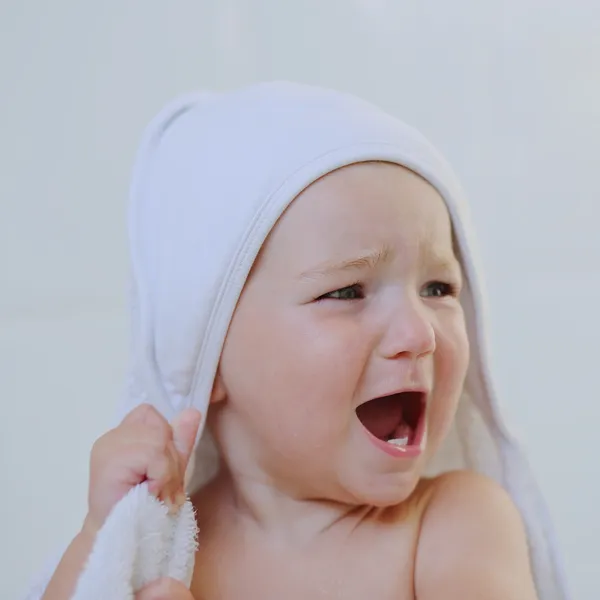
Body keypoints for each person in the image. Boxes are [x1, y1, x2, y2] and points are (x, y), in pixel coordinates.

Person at [38, 82, 567, 600]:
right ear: (209, 354)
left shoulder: (455, 524)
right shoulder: (161, 547)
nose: (419, 333)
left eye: (438, 288)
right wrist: (101, 535)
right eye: (347, 291)